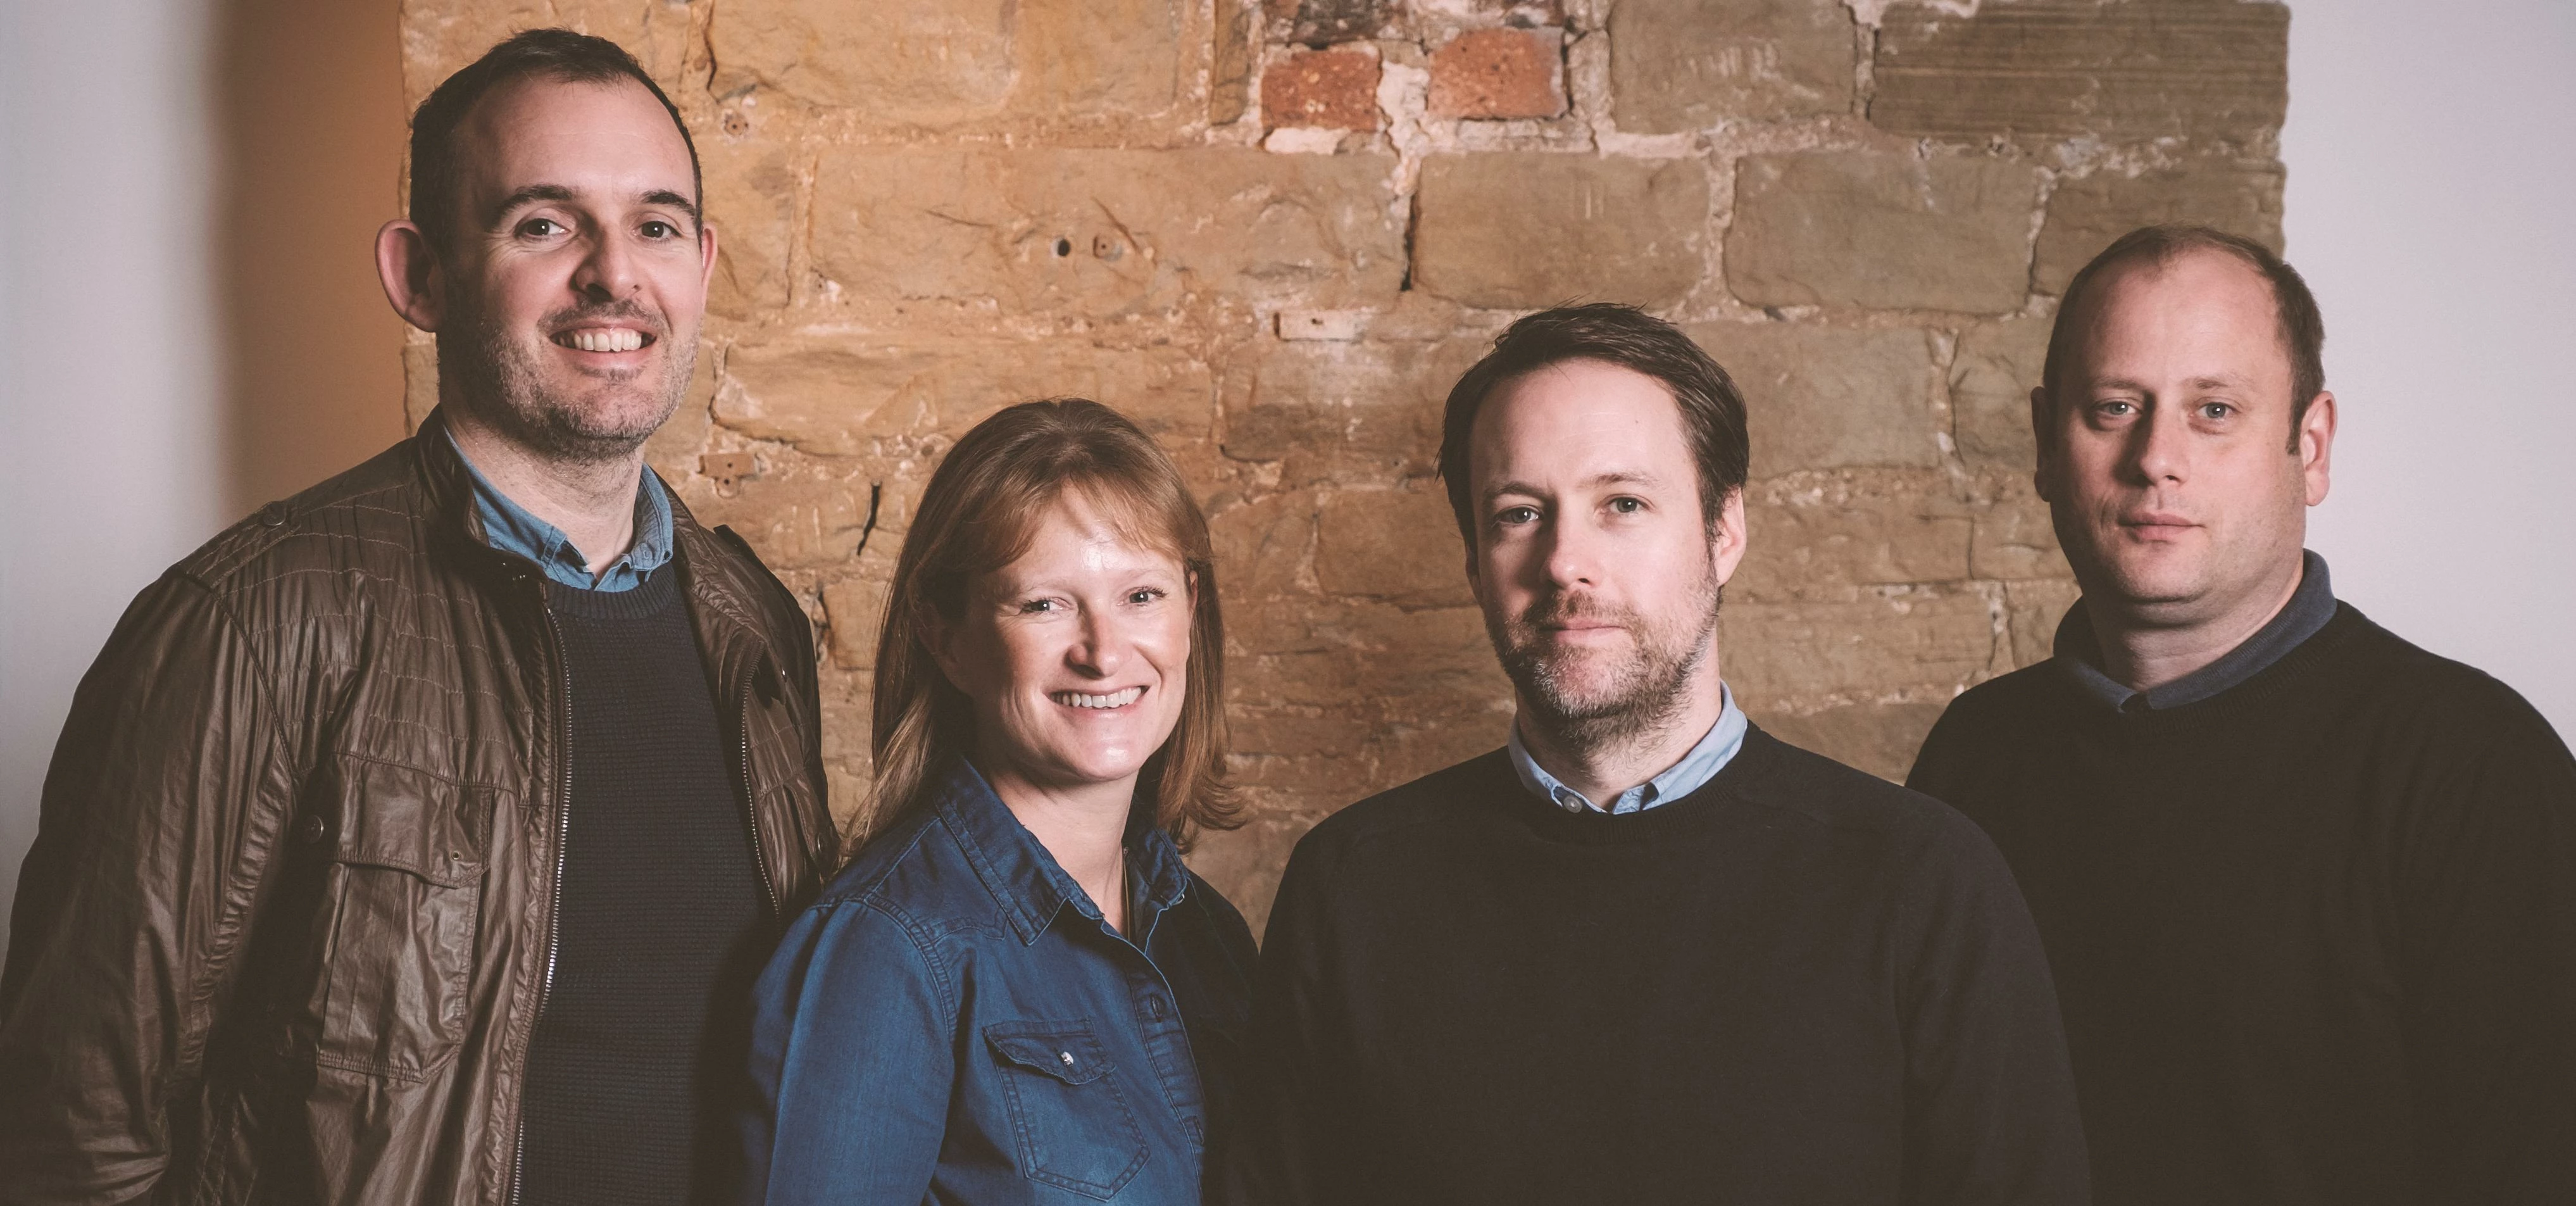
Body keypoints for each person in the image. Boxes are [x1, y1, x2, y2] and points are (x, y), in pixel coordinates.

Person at [0, 29, 837, 1205]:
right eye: (543, 224)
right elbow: (72, 1134)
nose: (614, 275)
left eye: (654, 225)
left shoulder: (753, 629)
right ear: (422, 276)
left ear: (700, 263)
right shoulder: (251, 625)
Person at [1222, 304, 2089, 1205]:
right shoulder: (1353, 884)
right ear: (1475, 565)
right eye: (1520, 514)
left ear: (1724, 531)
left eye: (1622, 505)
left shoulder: (1922, 882)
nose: (1566, 562)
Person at [1907, 225, 2576, 1205]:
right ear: (2049, 443)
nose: (2155, 459)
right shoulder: (1975, 756)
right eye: (2114, 408)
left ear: (2308, 448)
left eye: (2212, 410)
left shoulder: (2473, 770)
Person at [739, 399, 1258, 1205]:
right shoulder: (887, 952)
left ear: (1191, 607)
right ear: (944, 637)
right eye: (1044, 604)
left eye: (1142, 596)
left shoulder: (1208, 932)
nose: (1103, 652)